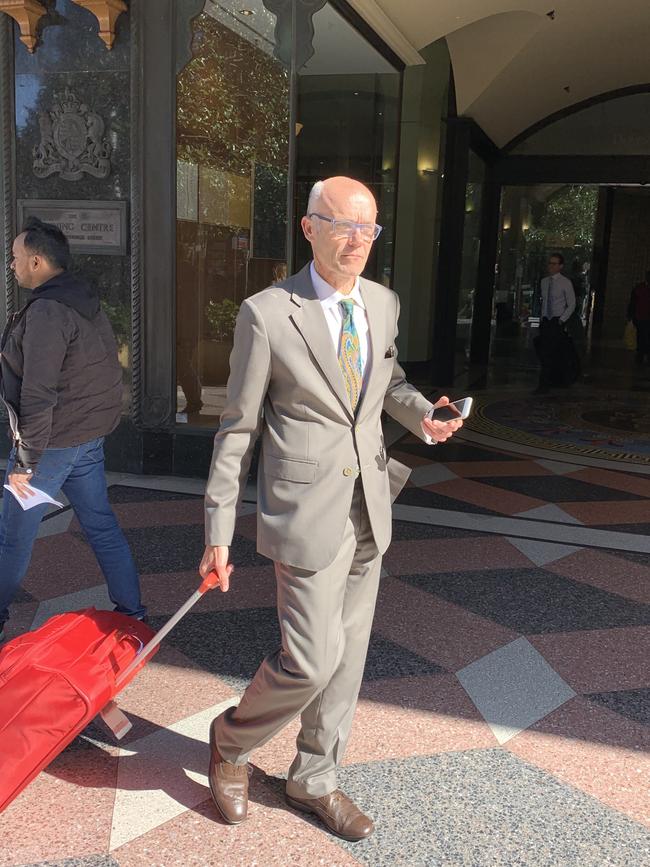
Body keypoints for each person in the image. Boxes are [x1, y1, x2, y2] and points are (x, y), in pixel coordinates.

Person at [200, 177, 462, 841]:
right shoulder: (267, 313)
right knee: (311, 659)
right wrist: (219, 530)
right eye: (342, 225)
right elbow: (237, 427)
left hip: (369, 502)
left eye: (368, 229)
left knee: (346, 661)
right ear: (308, 226)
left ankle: (313, 778)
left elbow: (387, 381)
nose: (357, 241)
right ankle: (231, 740)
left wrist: (422, 413)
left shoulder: (380, 302)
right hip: (304, 510)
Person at [0, 218, 146, 643]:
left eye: (15, 257)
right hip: (86, 439)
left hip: (50, 446)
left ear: (37, 261)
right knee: (100, 524)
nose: (11, 265)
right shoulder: (81, 300)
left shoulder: (47, 311)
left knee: (12, 539)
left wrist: (25, 462)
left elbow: (39, 393)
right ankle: (134, 613)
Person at [533, 252, 577, 394]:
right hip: (546, 320)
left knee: (554, 352)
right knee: (544, 351)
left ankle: (551, 382)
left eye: (554, 263)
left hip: (557, 320)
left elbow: (572, 304)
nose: (551, 266)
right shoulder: (544, 282)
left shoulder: (565, 283)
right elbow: (544, 301)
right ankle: (545, 382)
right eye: (550, 263)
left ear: (560, 266)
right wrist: (542, 318)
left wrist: (562, 319)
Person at [627, 270, 650, 363]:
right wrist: (631, 315)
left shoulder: (638, 288)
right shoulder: (638, 288)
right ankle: (642, 355)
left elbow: (633, 303)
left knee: (642, 336)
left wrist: (630, 315)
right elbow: (633, 303)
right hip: (641, 317)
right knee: (642, 336)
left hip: (641, 317)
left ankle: (642, 355)